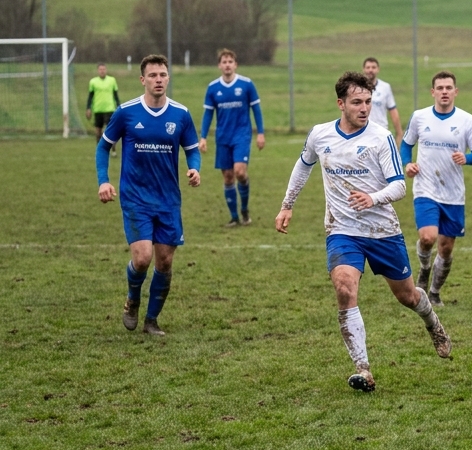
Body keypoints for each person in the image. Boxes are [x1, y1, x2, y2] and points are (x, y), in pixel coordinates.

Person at [275, 71, 451, 392]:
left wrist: (372, 197)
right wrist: (287, 204)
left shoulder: (380, 138)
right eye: (357, 102)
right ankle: (363, 369)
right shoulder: (320, 135)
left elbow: (398, 186)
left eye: (369, 102)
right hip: (342, 230)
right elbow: (304, 165)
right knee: (344, 289)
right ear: (340, 103)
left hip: (382, 231)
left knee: (408, 297)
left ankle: (432, 323)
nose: (364, 108)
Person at [95, 54, 202, 336]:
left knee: (165, 261)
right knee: (143, 258)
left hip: (168, 199)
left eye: (163, 75)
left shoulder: (181, 114)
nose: (158, 80)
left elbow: (191, 147)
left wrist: (194, 168)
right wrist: (103, 181)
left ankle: (151, 321)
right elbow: (103, 147)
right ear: (143, 80)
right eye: (153, 75)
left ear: (168, 78)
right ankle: (132, 299)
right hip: (135, 197)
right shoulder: (126, 112)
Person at [401, 71, 472, 306]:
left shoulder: (466, 120)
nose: (445, 92)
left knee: (446, 248)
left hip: (453, 193)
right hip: (425, 189)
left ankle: (435, 292)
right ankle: (424, 268)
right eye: (440, 88)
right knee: (427, 238)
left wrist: (467, 158)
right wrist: (408, 164)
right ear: (433, 92)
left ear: (455, 92)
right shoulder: (420, 117)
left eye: (449, 88)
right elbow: (406, 145)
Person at [198, 49, 265, 226]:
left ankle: (244, 209)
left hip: (242, 135)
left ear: (235, 64)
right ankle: (235, 217)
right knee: (228, 177)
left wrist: (260, 133)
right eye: (224, 62)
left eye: (230, 61)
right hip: (223, 137)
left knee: (240, 172)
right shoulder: (213, 88)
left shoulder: (246, 84)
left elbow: (256, 109)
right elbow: (208, 114)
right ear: (219, 65)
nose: (227, 64)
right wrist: (203, 137)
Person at [362, 57, 401, 140]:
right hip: (363, 131)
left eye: (373, 67)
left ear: (378, 69)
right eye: (368, 67)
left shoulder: (385, 87)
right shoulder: (358, 88)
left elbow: (393, 110)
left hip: (381, 131)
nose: (370, 70)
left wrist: (399, 133)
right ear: (364, 69)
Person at [87, 63, 119, 148]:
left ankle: (113, 148)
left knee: (110, 130)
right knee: (98, 131)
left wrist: (119, 106)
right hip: (98, 109)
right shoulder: (93, 82)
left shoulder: (112, 80)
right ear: (98, 71)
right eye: (100, 69)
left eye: (104, 69)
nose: (102, 71)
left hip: (109, 108)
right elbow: (90, 96)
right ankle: (99, 148)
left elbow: (115, 95)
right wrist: (88, 108)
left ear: (106, 70)